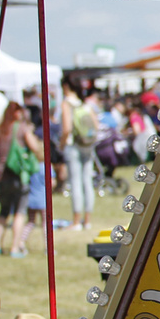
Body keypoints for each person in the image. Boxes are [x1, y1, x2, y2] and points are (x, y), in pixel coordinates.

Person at [0, 103, 42, 259]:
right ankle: (14, 247)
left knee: (3, 211)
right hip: (19, 176)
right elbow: (35, 148)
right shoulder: (22, 129)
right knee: (19, 212)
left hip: (2, 175)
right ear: (17, 113)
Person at [60, 81, 97, 232]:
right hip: (87, 145)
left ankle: (76, 221)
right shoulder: (85, 104)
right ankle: (87, 220)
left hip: (73, 145)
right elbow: (96, 125)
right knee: (87, 182)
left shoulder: (66, 104)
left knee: (75, 182)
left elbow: (66, 128)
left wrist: (61, 144)